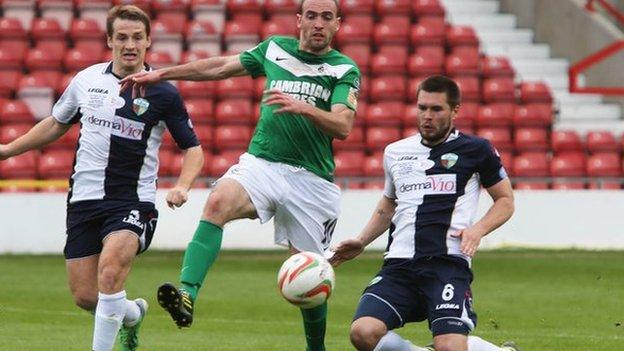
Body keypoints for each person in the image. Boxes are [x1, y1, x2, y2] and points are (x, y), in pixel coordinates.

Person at [120, 0, 359, 349]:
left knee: (310, 274)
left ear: (337, 23)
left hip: (312, 181)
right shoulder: (275, 48)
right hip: (263, 162)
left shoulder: (343, 69)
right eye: (311, 15)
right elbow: (221, 66)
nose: (318, 23)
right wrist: (163, 73)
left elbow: (343, 124)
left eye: (326, 17)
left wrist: (302, 108)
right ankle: (187, 294)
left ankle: (316, 347)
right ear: (299, 20)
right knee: (218, 202)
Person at [0, 5, 204, 351]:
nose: (130, 44)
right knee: (85, 296)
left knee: (110, 271)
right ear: (109, 40)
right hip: (84, 199)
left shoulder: (163, 92)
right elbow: (56, 123)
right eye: (122, 37)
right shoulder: (86, 80)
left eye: (137, 38)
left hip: (132, 201)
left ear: (148, 41)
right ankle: (132, 315)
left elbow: (194, 149)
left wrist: (183, 186)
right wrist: (8, 150)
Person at [329, 75, 520, 351]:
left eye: (436, 109)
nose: (427, 116)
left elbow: (505, 200)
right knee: (363, 332)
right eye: (422, 108)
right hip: (399, 265)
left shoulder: (477, 150)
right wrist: (361, 241)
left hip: (447, 265)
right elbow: (388, 204)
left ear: (455, 111)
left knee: (450, 347)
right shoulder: (396, 152)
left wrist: (477, 230)